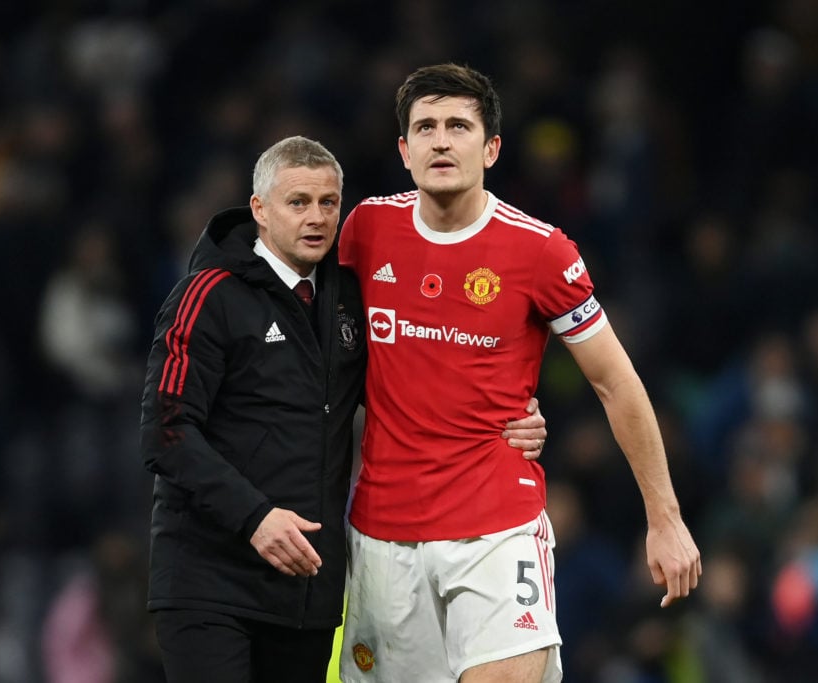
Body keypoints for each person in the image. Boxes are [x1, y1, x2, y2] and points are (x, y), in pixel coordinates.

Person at [337, 64, 702, 683]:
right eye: (425, 127)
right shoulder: (367, 231)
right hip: (380, 537)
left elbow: (617, 383)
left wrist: (664, 518)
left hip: (495, 528)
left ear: (492, 147)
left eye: (458, 125)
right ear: (404, 150)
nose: (441, 141)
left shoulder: (540, 251)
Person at [139, 135, 547, 683]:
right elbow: (165, 432)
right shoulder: (208, 295)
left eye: (329, 203)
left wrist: (511, 417)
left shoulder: (352, 298)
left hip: (306, 591)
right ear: (259, 210)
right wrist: (253, 517)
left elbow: (412, 383)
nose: (316, 217)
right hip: (210, 582)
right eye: (298, 202)